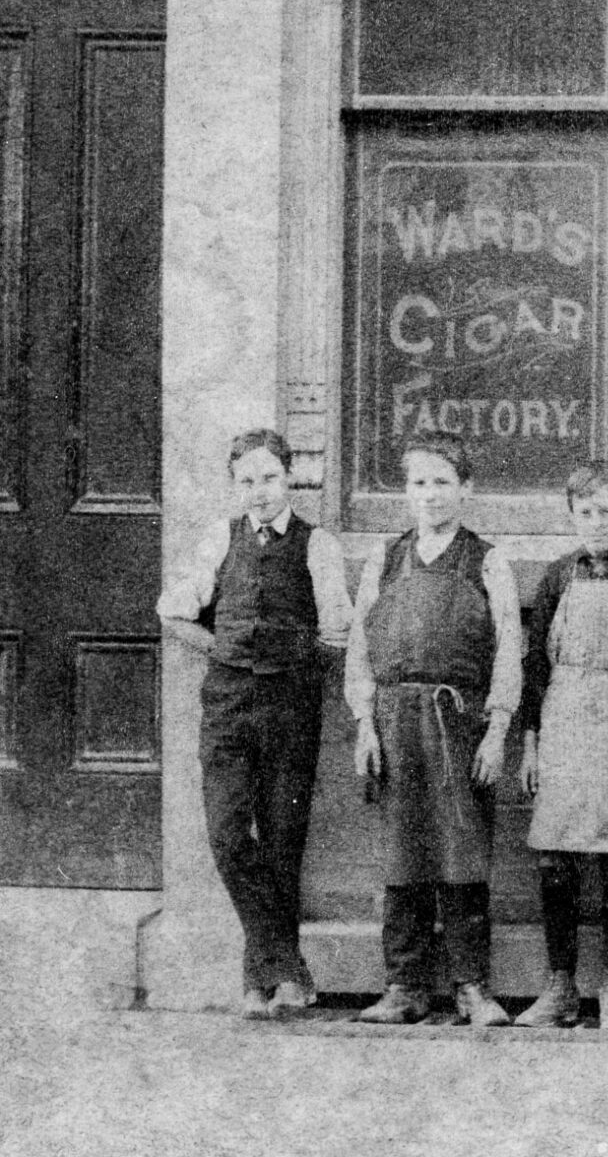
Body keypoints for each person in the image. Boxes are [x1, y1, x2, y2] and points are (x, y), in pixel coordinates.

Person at [157, 427, 354, 1020]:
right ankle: (287, 965)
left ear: (289, 477)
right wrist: (222, 647)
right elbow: (173, 611)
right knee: (225, 834)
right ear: (234, 484)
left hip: (291, 706)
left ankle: (260, 983)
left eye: (270, 478)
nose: (260, 491)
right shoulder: (221, 537)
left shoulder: (319, 545)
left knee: (282, 841)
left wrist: (291, 665)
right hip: (228, 706)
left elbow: (338, 631)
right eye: (247, 481)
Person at [346, 437, 522, 1027]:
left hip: (460, 723)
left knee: (462, 851)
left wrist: (497, 730)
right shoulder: (386, 558)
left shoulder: (486, 560)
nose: (430, 495)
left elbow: (508, 652)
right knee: (403, 852)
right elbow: (360, 648)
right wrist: (365, 724)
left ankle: (472, 985)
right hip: (396, 721)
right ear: (406, 490)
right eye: (419, 483)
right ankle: (404, 986)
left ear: (465, 489)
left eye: (442, 482)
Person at [512, 459, 608, 1031]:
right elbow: (534, 667)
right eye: (585, 513)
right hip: (566, 719)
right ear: (572, 516)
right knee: (557, 853)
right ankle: (560, 987)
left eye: (607, 512)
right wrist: (530, 743)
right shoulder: (557, 577)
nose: (596, 523)